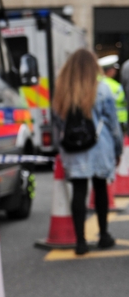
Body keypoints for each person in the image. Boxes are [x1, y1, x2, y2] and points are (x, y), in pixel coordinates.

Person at [53, 49, 123, 255]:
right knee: (100, 189)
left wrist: (60, 149)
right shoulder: (101, 88)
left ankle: (81, 242)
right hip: (99, 147)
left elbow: (57, 125)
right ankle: (103, 236)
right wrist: (118, 149)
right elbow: (113, 124)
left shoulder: (62, 90)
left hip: (73, 149)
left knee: (79, 190)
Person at [99, 54, 127, 134]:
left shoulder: (96, 83)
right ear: (110, 70)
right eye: (114, 69)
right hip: (118, 120)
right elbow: (124, 100)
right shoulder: (116, 86)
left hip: (100, 121)